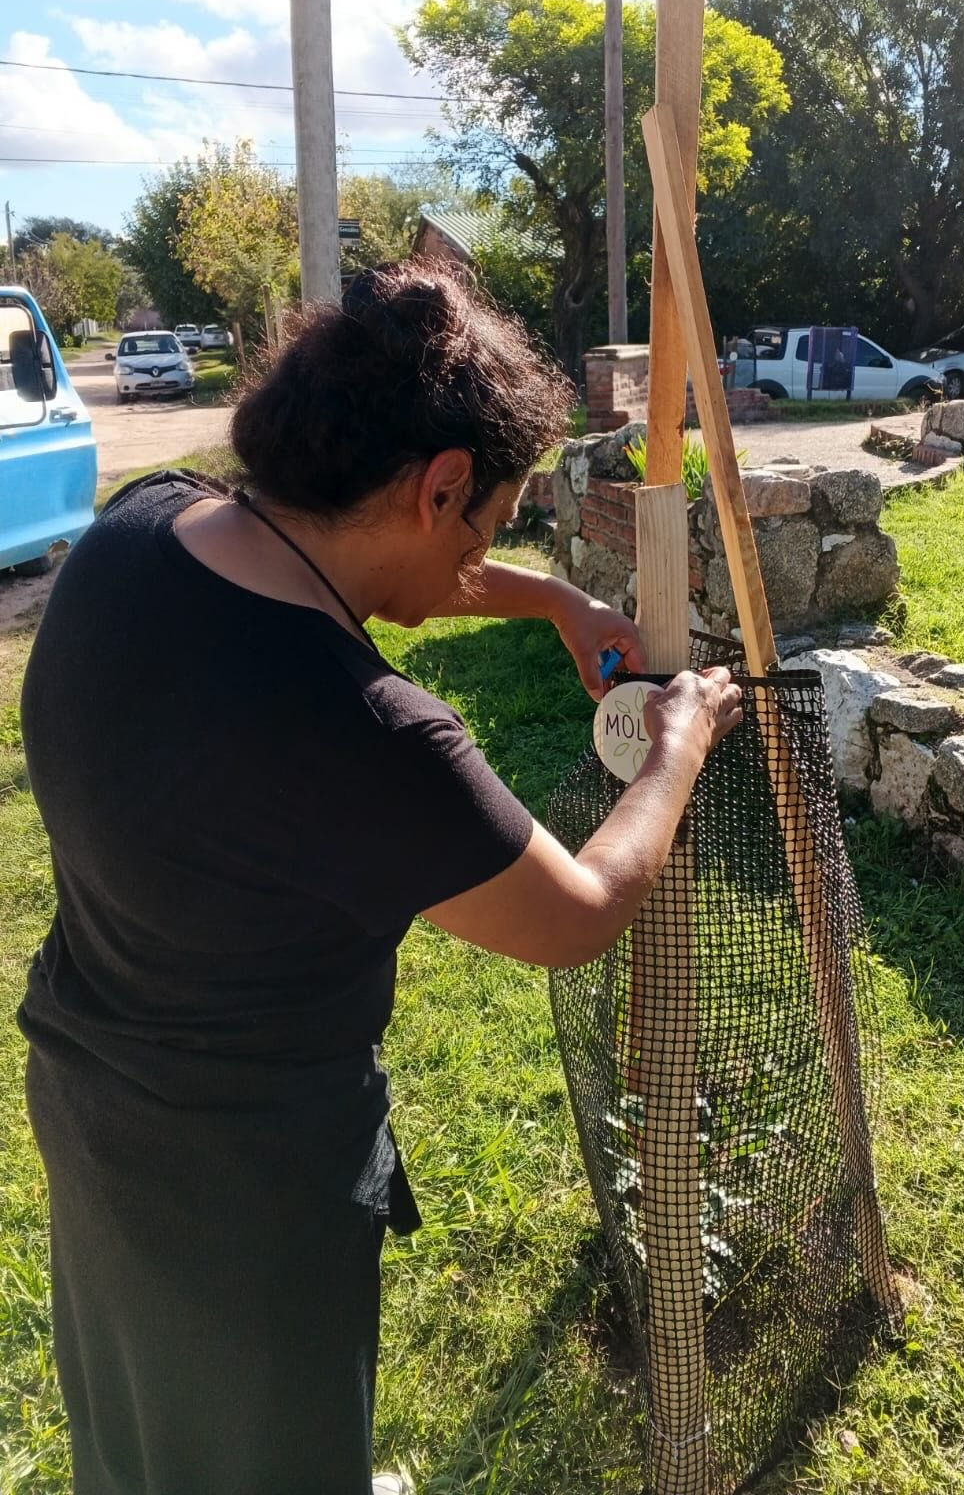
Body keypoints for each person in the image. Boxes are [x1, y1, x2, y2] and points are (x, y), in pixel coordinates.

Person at [18, 263, 742, 1495]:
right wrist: (676, 749)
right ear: (440, 484)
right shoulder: (371, 735)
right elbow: (581, 912)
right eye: (485, 528)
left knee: (139, 1444)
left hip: (93, 1111)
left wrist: (554, 598)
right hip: (251, 1190)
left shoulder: (141, 531)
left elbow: (350, 571)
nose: (476, 560)